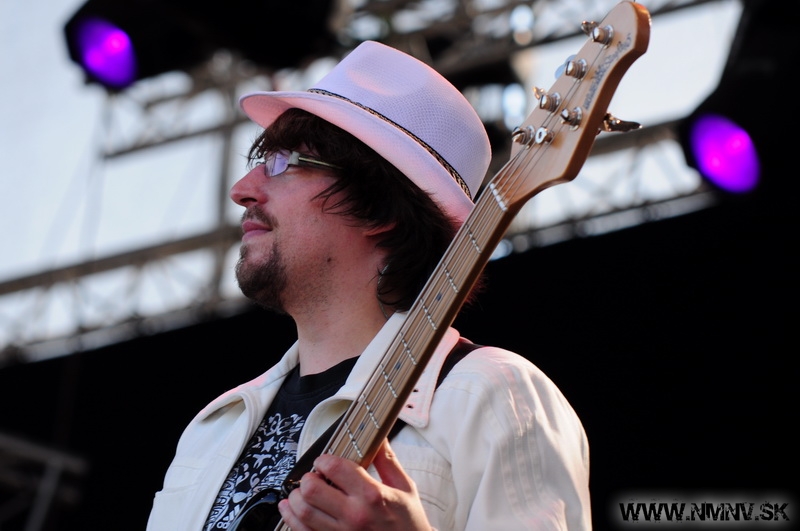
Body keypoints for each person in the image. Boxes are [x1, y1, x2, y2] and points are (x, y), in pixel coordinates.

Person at [147, 40, 591, 530]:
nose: (242, 190)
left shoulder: (491, 393)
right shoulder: (213, 430)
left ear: (380, 209)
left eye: (284, 162)